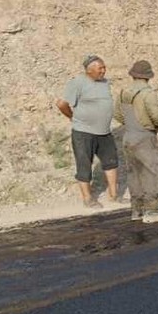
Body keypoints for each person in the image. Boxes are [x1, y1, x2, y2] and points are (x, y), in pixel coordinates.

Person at [55, 55, 120, 209]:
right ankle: (88, 198)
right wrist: (72, 117)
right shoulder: (77, 83)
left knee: (111, 162)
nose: (104, 71)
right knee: (84, 164)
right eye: (100, 68)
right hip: (83, 132)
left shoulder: (104, 82)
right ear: (89, 71)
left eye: (104, 67)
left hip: (104, 131)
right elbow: (62, 104)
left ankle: (114, 195)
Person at [113, 60, 158, 223]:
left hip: (128, 136)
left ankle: (136, 210)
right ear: (147, 76)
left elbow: (117, 114)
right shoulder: (148, 93)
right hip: (144, 137)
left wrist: (131, 126)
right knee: (152, 173)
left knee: (134, 173)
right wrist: (156, 126)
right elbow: (156, 116)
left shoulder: (124, 91)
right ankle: (152, 211)